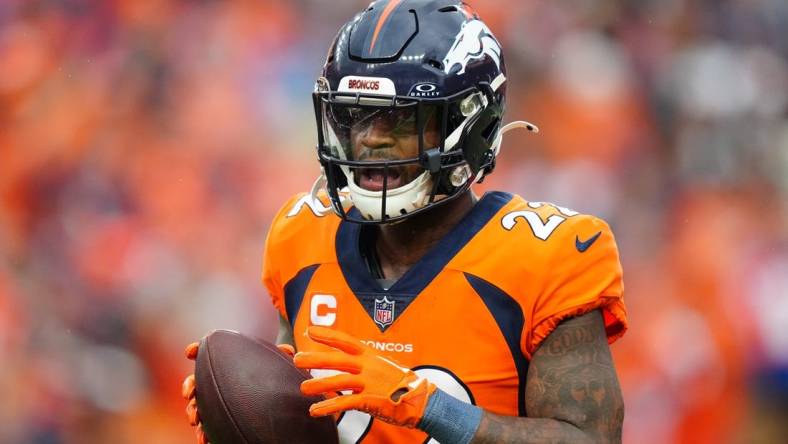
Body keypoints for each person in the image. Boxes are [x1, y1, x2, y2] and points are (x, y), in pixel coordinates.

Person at [183, 1, 628, 442]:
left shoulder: (547, 257)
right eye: (357, 116)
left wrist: (426, 406)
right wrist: (247, 411)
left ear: (470, 123)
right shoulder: (302, 236)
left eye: (400, 118)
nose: (371, 137)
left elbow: (588, 439)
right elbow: (302, 412)